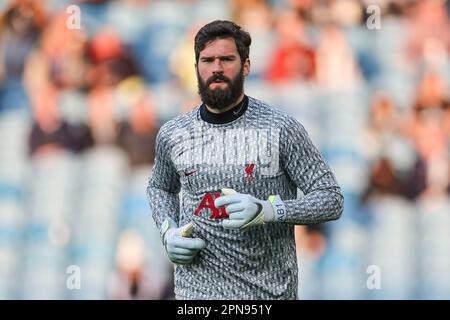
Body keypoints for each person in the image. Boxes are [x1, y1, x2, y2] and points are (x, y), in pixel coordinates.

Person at [147, 20, 344, 300]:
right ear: (196, 68)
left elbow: (331, 198)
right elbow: (159, 187)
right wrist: (168, 230)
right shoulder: (173, 133)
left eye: (227, 59)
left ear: (247, 66)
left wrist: (270, 211)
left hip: (267, 296)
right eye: (207, 60)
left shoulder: (281, 127)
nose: (217, 68)